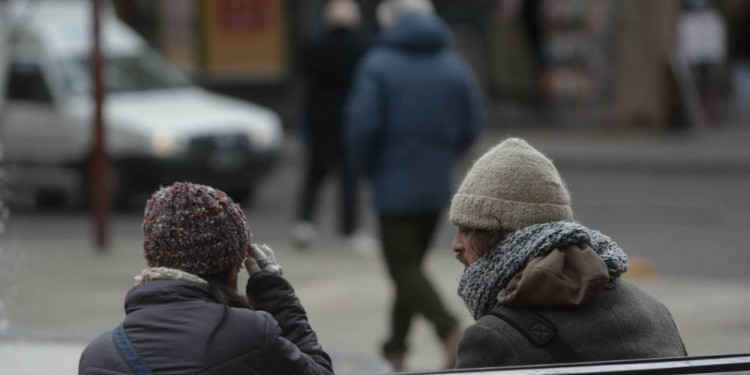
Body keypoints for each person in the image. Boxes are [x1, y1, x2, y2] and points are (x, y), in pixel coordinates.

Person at [448, 138, 687, 368]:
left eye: (468, 230)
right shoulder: (655, 314)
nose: (456, 245)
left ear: (511, 238)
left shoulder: (491, 340)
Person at [346, 0, 484, 370]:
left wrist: (370, 167)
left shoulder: (377, 65)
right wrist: (445, 154)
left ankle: (450, 331)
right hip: (437, 183)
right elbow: (473, 122)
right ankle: (396, 347)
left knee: (402, 268)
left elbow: (362, 128)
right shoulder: (454, 66)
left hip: (393, 185)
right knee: (411, 267)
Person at [79, 182, 333, 375]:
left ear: (154, 260)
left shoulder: (98, 357)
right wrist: (273, 290)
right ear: (232, 267)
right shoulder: (252, 335)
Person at [291, 0, 371, 251]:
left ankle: (304, 223)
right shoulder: (363, 49)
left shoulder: (313, 48)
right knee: (349, 179)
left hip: (319, 122)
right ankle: (349, 230)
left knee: (314, 174)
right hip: (349, 122)